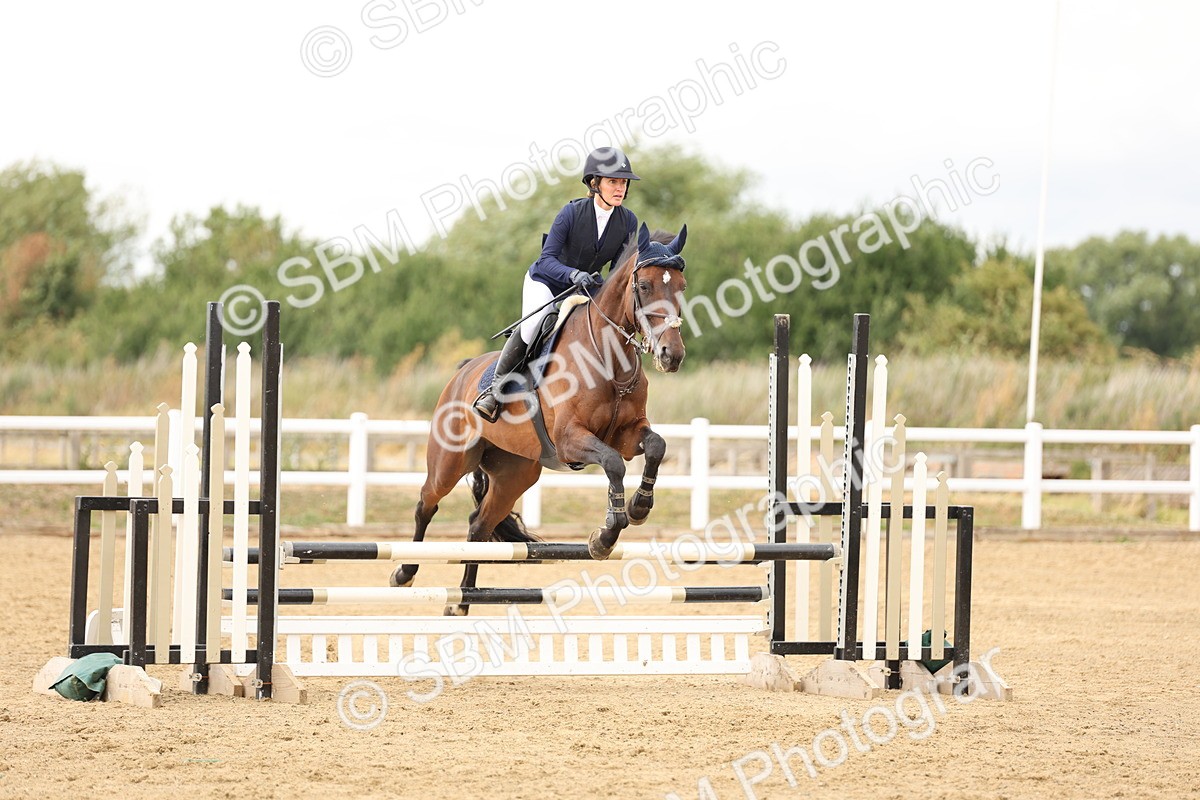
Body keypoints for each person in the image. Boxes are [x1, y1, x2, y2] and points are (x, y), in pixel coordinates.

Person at [473, 146, 650, 421]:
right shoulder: (571, 213)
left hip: (585, 288)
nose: (620, 188)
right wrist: (573, 275)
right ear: (594, 183)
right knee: (534, 324)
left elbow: (617, 271)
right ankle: (494, 392)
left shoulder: (627, 221)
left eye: (624, 182)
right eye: (613, 181)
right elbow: (546, 260)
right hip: (547, 282)